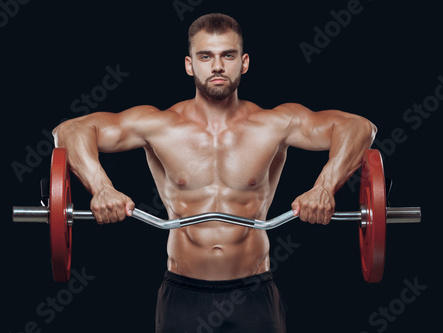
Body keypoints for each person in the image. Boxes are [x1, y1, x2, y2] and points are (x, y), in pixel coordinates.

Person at [53, 13, 376, 333]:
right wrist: (101, 188)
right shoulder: (158, 124)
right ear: (189, 64)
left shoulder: (275, 123)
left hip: (255, 290)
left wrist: (324, 187)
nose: (217, 66)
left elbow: (358, 127)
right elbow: (70, 130)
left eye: (228, 55)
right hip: (182, 292)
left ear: (244, 62)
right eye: (206, 56)